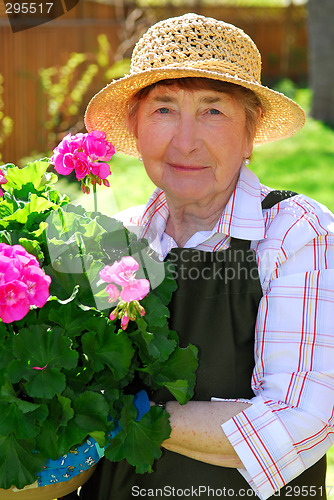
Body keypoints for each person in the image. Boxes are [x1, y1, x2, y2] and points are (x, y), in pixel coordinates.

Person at [79, 13, 334, 500]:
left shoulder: (295, 232)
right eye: (164, 109)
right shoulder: (113, 237)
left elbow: (301, 420)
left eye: (213, 111)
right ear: (136, 125)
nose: (186, 141)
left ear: (249, 134)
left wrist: (131, 415)